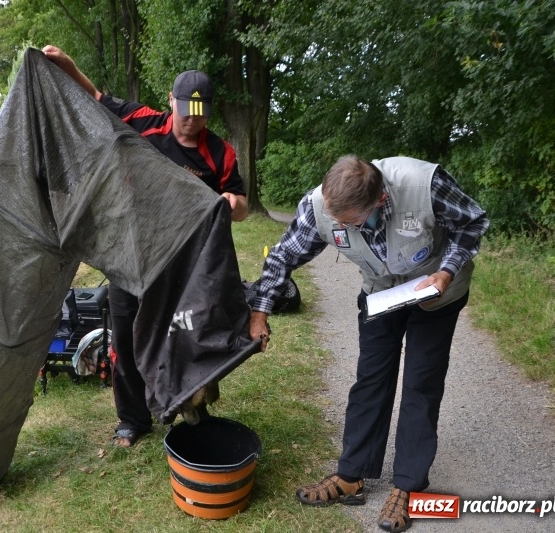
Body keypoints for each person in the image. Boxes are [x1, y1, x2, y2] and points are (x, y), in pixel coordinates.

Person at [249, 155, 489, 532]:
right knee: (370, 379)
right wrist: (260, 312)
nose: (340, 226)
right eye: (336, 219)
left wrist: (446, 272)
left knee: (421, 383)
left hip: (437, 292)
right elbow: (283, 256)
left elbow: (471, 222)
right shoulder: (321, 205)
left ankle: (408, 486)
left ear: (379, 200)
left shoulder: (423, 185)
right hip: (381, 293)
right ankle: (352, 475)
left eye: (349, 222)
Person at [42, 45, 248, 448]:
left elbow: (240, 205)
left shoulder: (221, 153)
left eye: (200, 114)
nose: (191, 121)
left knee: (185, 335)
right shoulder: (144, 122)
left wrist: (232, 203)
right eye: (185, 111)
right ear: (171, 101)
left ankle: (188, 401)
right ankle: (132, 419)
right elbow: (96, 99)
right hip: (131, 253)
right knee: (125, 337)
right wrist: (69, 65)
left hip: (186, 265)